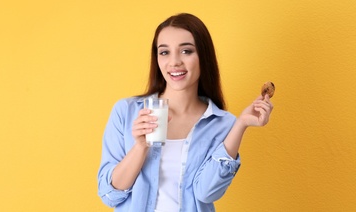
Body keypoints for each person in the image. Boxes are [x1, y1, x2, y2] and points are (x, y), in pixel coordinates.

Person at [97, 13, 274, 211]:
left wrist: (240, 125)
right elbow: (109, 194)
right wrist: (140, 147)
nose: (174, 62)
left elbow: (206, 193)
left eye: (186, 51)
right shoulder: (127, 112)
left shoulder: (223, 123)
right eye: (164, 52)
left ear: (203, 57)